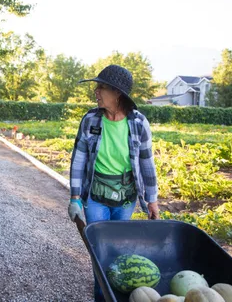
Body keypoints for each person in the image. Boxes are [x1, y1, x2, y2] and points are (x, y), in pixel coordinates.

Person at [67, 64, 159, 301]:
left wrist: (152, 199)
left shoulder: (138, 123)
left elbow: (147, 163)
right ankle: (101, 297)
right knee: (99, 253)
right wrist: (75, 197)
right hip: (96, 197)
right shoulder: (90, 120)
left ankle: (114, 296)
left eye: (101, 87)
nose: (96, 91)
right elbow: (79, 159)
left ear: (117, 93)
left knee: (120, 252)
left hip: (126, 197)